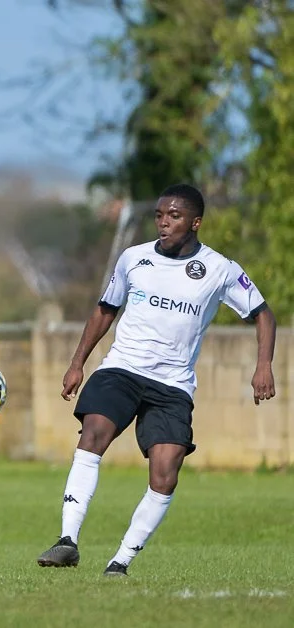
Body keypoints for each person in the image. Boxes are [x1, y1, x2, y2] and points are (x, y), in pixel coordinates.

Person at [37, 183, 276, 577]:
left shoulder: (220, 269)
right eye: (160, 215)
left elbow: (263, 314)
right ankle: (67, 541)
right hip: (122, 369)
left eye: (174, 216)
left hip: (172, 385)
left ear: (195, 223)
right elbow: (105, 309)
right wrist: (77, 363)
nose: (164, 223)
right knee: (94, 433)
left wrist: (263, 364)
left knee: (166, 473)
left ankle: (120, 562)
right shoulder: (133, 258)